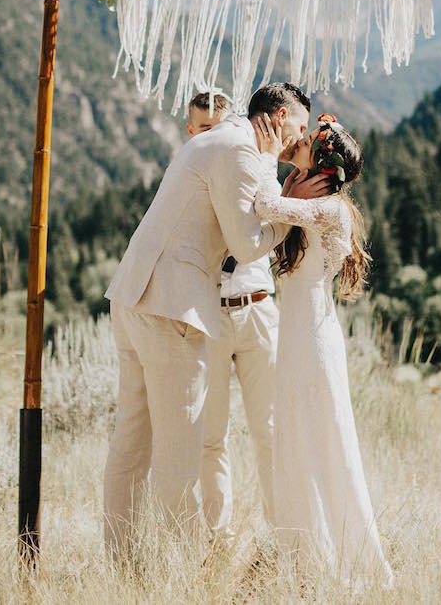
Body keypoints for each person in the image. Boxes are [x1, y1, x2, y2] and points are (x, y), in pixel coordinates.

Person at [102, 83, 317, 557]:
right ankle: (183, 571)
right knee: (180, 457)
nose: (301, 139)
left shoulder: (224, 142)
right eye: (301, 127)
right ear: (281, 116)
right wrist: (296, 210)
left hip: (134, 295)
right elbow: (246, 245)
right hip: (172, 308)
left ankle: (122, 566)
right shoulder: (239, 149)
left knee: (131, 444)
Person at [253, 111, 394, 585]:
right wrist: (291, 182)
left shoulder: (329, 208)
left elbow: (261, 205)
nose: (304, 137)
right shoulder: (311, 197)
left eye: (312, 139)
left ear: (323, 168)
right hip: (297, 335)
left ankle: (336, 559)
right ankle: (305, 557)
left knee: (321, 439)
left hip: (312, 339)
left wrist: (278, 171)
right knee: (296, 437)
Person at [185, 92, 280, 545]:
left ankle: (285, 534)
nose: (214, 137)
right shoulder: (190, 180)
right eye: (204, 130)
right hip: (212, 317)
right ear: (191, 133)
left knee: (272, 431)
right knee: (211, 436)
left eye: (220, 128)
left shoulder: (256, 167)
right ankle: (216, 540)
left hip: (259, 309)